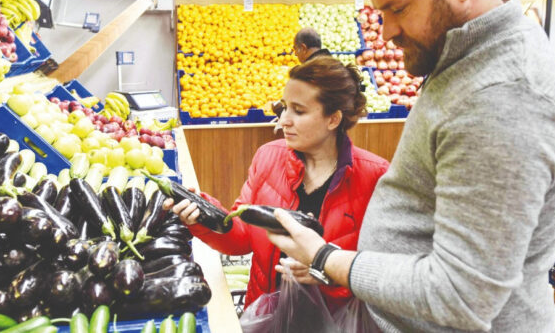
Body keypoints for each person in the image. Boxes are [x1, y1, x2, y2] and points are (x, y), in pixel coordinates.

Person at [268, 0, 555, 332]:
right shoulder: (468, 61)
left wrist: (326, 258)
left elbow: (460, 296)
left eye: (398, 8)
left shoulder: (503, 96)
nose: (386, 32)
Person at [164, 56, 389, 312]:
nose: (283, 120)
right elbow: (242, 237)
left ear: (333, 119)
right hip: (267, 315)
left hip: (337, 320)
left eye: (298, 111)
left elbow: (386, 274)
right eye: (284, 108)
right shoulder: (268, 157)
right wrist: (204, 217)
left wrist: (328, 272)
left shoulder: (375, 177)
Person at [271, 28, 334, 118]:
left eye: (296, 49)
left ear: (303, 48)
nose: (295, 54)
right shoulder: (335, 65)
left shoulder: (307, 73)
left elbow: (300, 114)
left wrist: (279, 109)